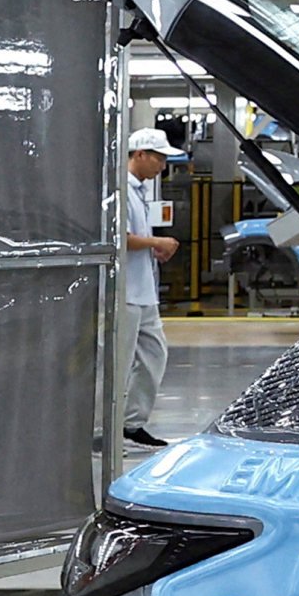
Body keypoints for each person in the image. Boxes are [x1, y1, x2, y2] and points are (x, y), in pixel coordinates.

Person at [117, 135, 177, 450]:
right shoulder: (121, 189)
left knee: (155, 355)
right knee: (117, 364)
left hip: (144, 292)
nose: (163, 165)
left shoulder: (140, 190)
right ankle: (105, 431)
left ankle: (131, 424)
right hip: (125, 293)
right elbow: (120, 237)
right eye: (158, 158)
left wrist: (153, 249)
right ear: (140, 154)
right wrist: (156, 243)